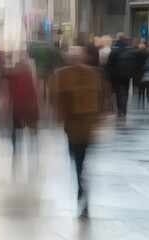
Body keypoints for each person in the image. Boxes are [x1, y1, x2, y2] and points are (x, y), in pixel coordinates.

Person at [51, 47, 101, 218]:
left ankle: (82, 190)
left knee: (80, 162)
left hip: (83, 127)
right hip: (75, 127)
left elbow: (100, 99)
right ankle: (82, 188)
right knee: (79, 161)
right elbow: (56, 99)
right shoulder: (65, 74)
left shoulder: (88, 74)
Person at [106, 32, 136, 118]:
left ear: (117, 39)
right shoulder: (129, 49)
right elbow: (133, 64)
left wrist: (109, 76)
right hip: (127, 75)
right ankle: (124, 108)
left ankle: (119, 108)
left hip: (117, 75)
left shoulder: (114, 50)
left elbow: (110, 64)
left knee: (118, 92)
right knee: (126, 92)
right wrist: (132, 74)